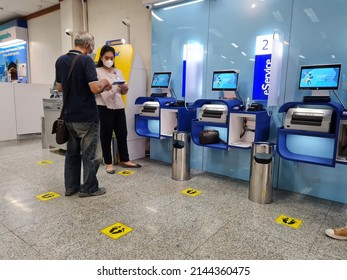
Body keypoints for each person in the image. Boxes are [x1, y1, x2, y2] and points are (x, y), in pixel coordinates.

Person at [55, 31, 112, 197]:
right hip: (87, 117)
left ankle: (71, 187)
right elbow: (94, 89)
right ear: (87, 45)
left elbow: (59, 87)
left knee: (72, 154)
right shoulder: (86, 60)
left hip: (69, 117)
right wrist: (103, 82)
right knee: (92, 155)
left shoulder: (60, 60)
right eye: (92, 46)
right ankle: (89, 188)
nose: (93, 49)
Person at [95, 45, 141, 174]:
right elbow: (94, 90)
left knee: (122, 133)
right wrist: (104, 87)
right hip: (103, 106)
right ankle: (109, 163)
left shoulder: (118, 71)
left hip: (118, 106)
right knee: (106, 135)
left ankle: (125, 159)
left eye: (111, 57)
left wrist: (125, 88)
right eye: (106, 57)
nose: (109, 60)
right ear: (101, 58)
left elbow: (123, 91)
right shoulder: (96, 71)